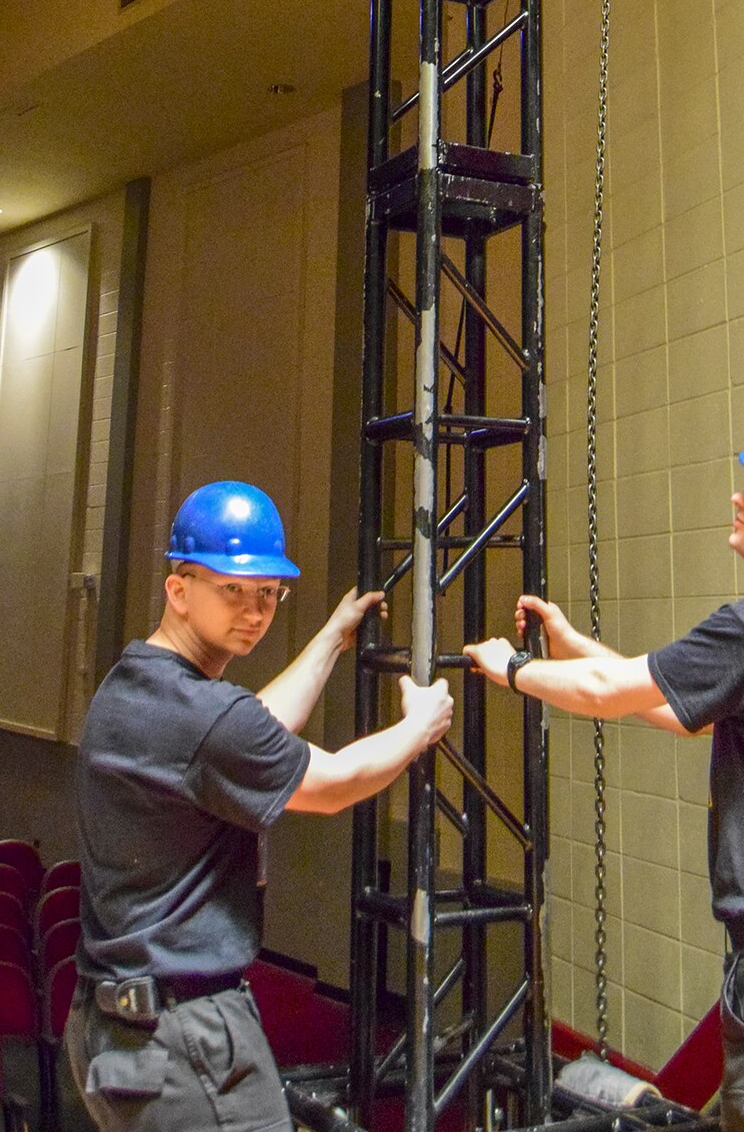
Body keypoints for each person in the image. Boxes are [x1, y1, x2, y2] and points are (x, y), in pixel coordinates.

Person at [463, 428, 744, 1132]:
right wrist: (573, 643)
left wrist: (513, 668)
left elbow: (609, 692)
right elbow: (683, 712)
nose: (739, 497)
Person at [66, 479, 452, 1132]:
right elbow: (332, 784)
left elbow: (249, 732)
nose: (254, 611)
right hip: (184, 1036)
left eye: (269, 594)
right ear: (178, 589)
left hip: (111, 1027)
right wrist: (420, 726)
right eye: (234, 590)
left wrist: (331, 638)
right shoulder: (206, 717)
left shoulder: (134, 683)